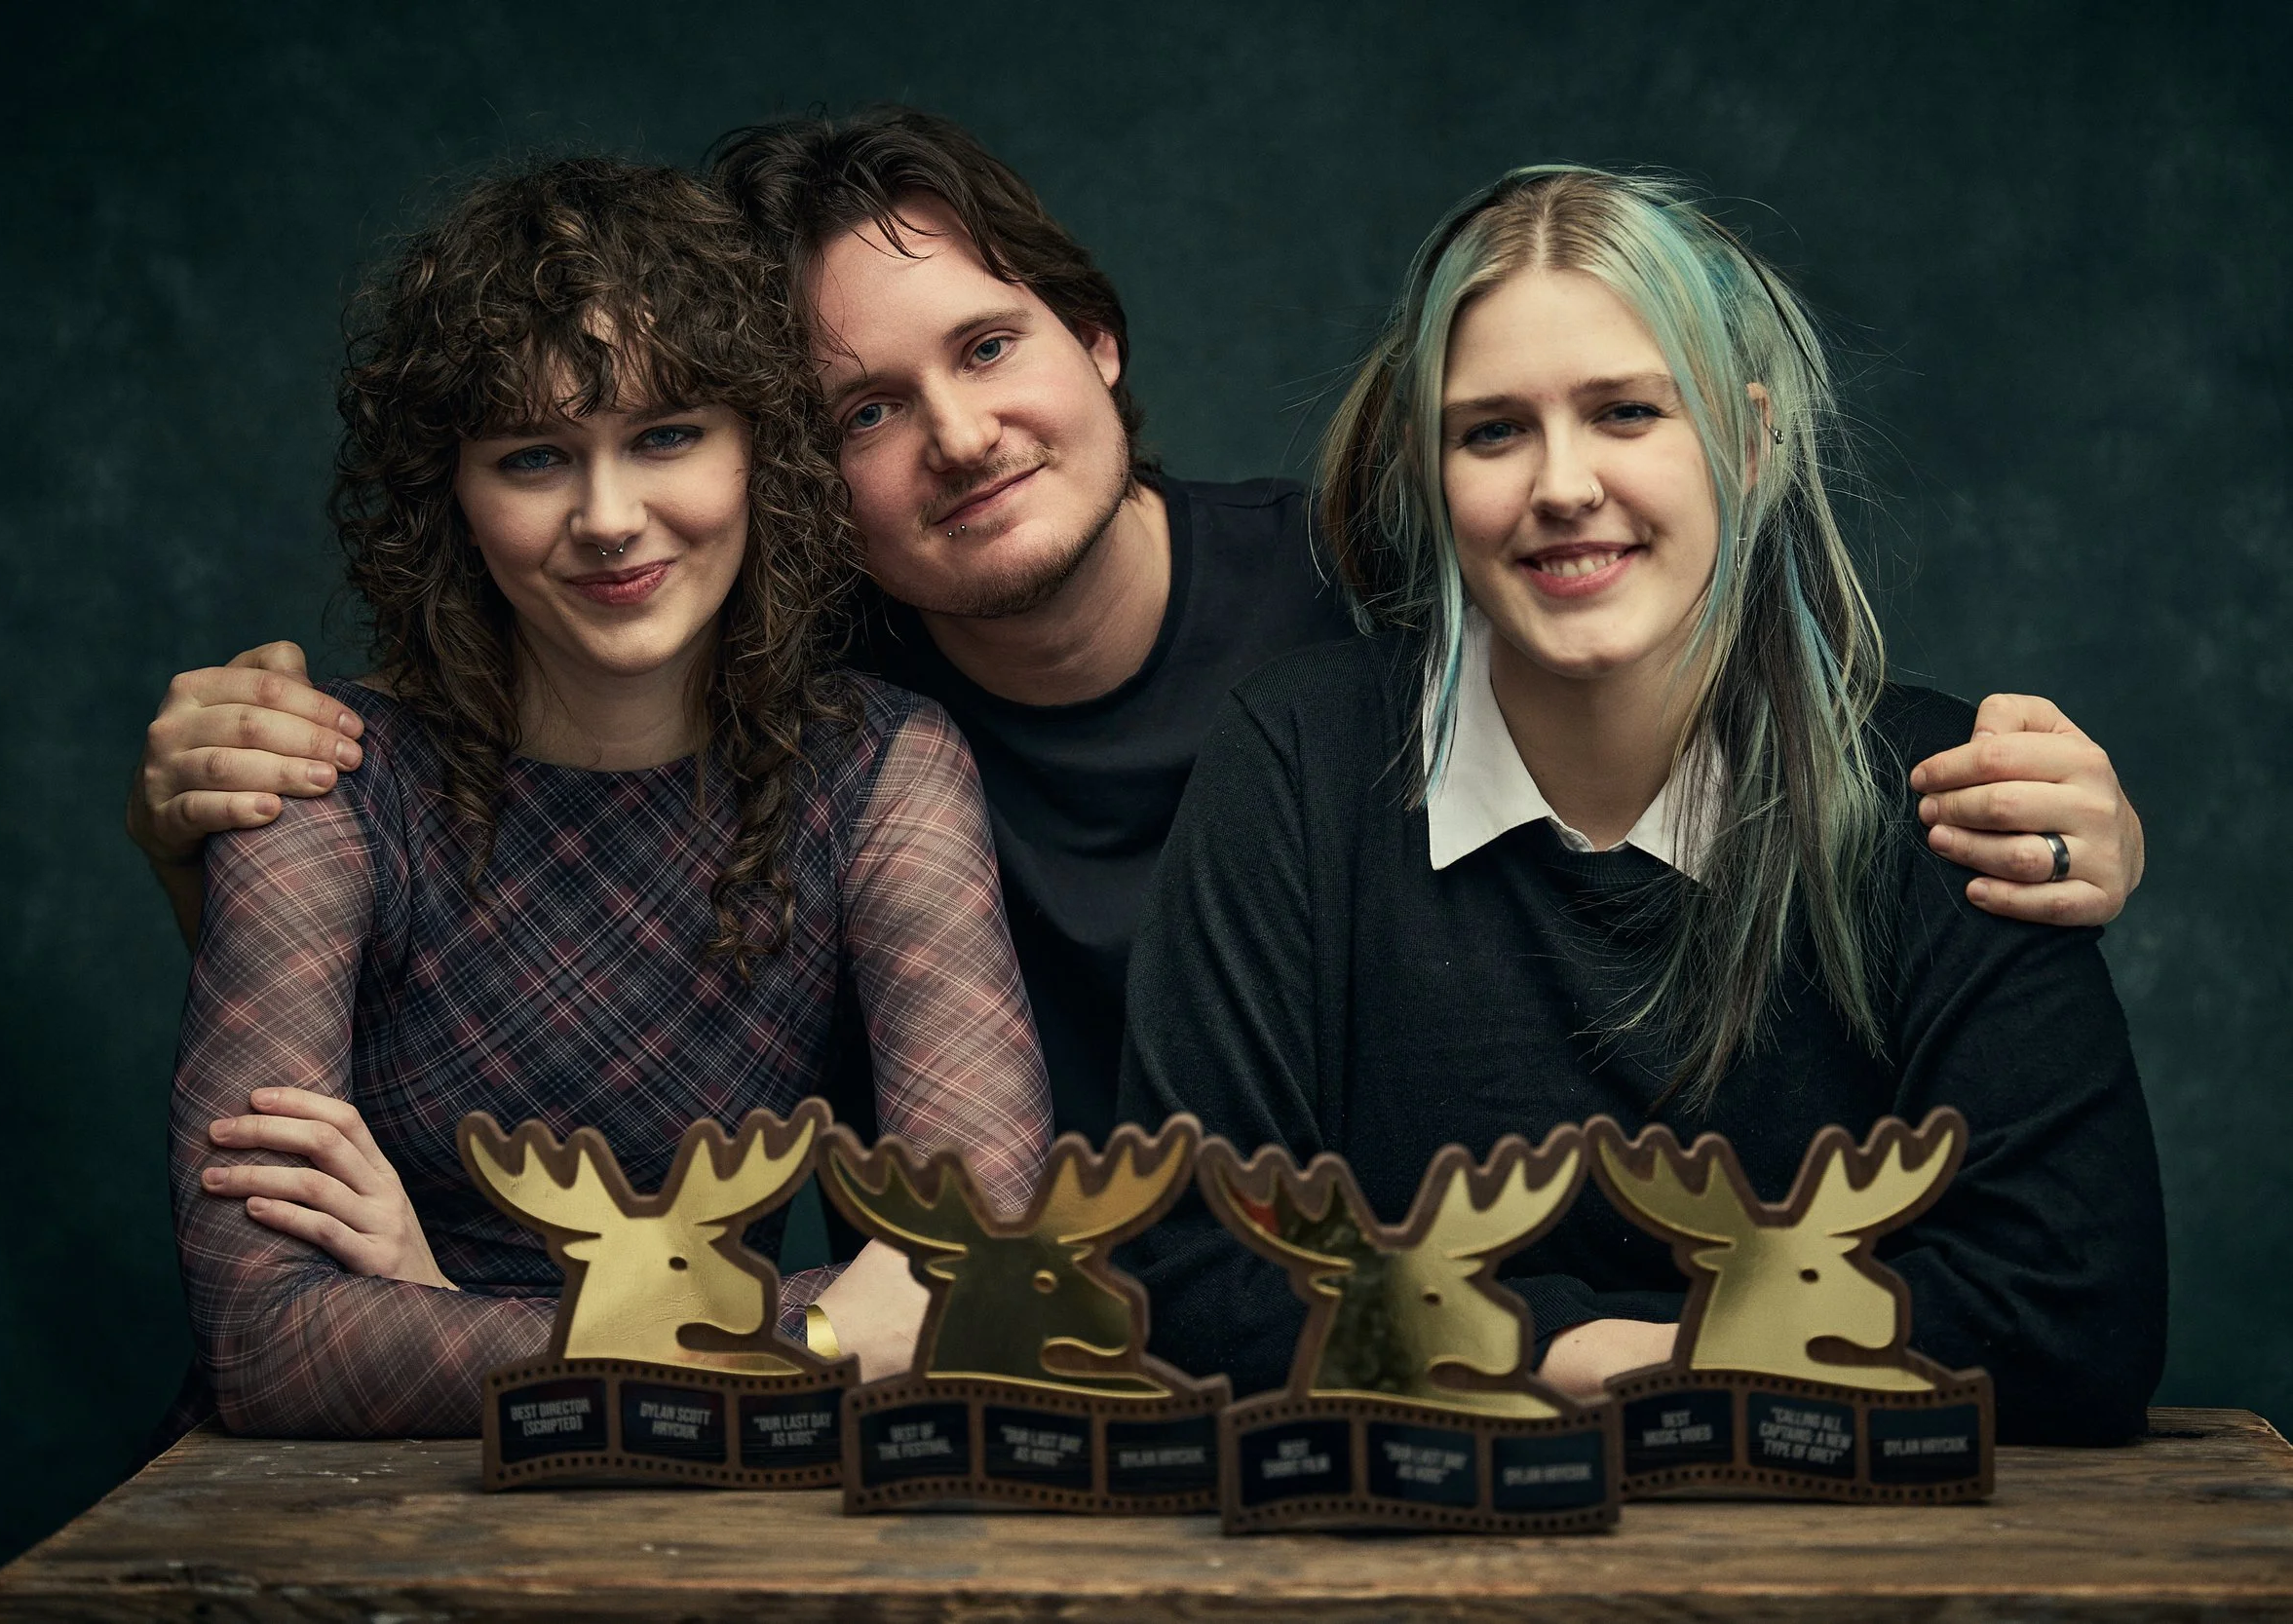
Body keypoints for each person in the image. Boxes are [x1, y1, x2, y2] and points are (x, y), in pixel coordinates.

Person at [126, 109, 2148, 1153]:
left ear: (1092, 335)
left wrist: (2040, 818)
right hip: (1000, 1378)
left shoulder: (1372, 588)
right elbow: (511, 900)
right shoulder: (817, 722)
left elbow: (1681, 664)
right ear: (797, 477)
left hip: (1395, 1340)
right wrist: (211, 821)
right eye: (860, 410)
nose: (959, 434)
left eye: (986, 344)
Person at [1118, 167, 2165, 1444]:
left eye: (1626, 411)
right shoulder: (1296, 762)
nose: (1563, 484)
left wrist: (1649, 1354)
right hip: (1417, 1540)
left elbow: (2076, 1320)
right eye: (1492, 431)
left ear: (1751, 442)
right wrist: (1579, 1352)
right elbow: (1191, 1278)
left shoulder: (1943, 795)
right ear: (1432, 473)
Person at [169, 157, 1049, 1437]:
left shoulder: (878, 770)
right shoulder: (324, 783)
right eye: (533, 457)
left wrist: (434, 1313)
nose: (609, 516)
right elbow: (264, 1345)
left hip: (699, 1493)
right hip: (346, 1518)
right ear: (452, 495)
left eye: (666, 437)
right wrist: (802, 1335)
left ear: (761, 451)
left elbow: (970, 1280)